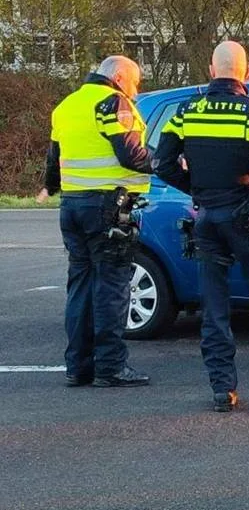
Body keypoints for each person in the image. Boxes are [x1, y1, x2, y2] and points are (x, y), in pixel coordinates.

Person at [153, 41, 249, 413]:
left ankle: (223, 389)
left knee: (214, 306)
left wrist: (200, 190)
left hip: (206, 219)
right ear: (246, 71)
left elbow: (162, 163)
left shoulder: (186, 110)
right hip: (248, 219)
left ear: (211, 68)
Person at [38, 56, 152, 388]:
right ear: (118, 77)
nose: (136, 89)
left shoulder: (67, 105)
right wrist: (170, 161)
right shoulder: (113, 101)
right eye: (134, 81)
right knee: (112, 287)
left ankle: (78, 366)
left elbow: (54, 156)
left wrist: (50, 186)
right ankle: (111, 367)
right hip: (107, 207)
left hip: (72, 205)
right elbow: (131, 154)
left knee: (80, 286)